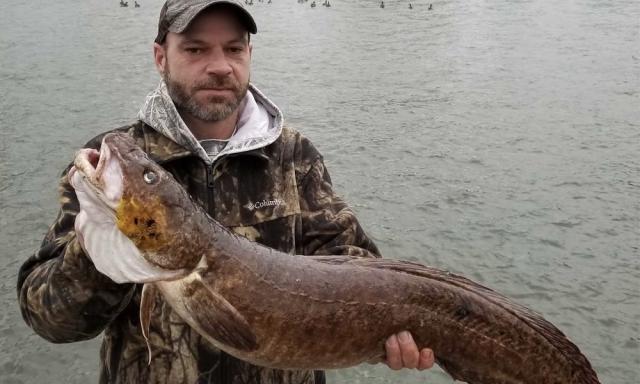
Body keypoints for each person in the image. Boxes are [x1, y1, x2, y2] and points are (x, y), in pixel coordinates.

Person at [17, 0, 435, 383]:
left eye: (233, 49)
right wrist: (101, 253)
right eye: (196, 50)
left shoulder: (294, 156)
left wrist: (388, 331)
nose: (219, 66)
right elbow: (48, 320)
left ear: (249, 56)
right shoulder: (110, 164)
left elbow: (353, 264)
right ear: (161, 57)